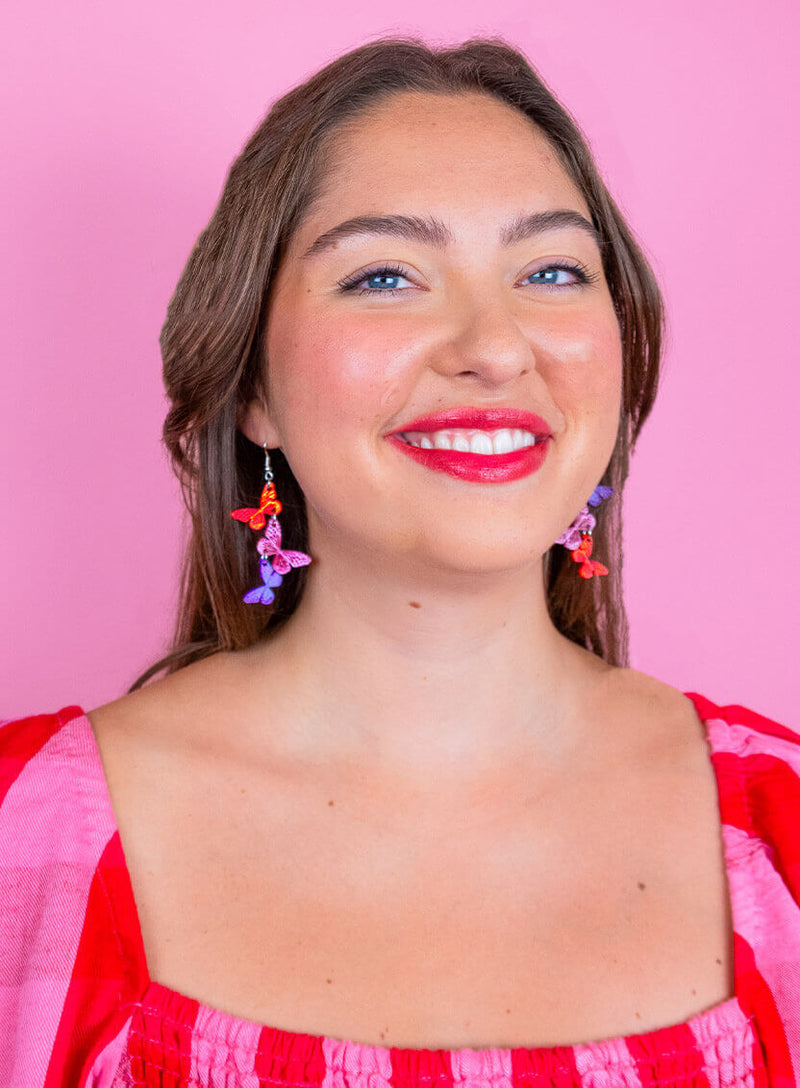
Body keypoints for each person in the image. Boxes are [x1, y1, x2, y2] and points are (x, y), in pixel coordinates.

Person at [1, 35, 798, 1087]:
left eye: (551, 269)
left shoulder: (777, 825)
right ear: (252, 387)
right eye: (384, 275)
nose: (494, 343)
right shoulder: (25, 830)